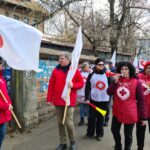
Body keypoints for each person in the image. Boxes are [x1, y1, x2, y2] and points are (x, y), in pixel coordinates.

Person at [47, 52, 84, 150]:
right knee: (60, 122)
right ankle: (62, 143)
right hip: (58, 100)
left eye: (62, 58)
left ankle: (72, 142)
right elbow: (51, 85)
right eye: (59, 58)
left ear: (68, 59)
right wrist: (49, 98)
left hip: (69, 100)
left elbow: (81, 83)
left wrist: (73, 85)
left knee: (68, 122)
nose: (60, 60)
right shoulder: (56, 70)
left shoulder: (74, 70)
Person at [107, 61, 147, 150]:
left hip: (130, 113)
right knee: (114, 130)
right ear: (119, 70)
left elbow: (141, 100)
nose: (124, 71)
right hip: (117, 111)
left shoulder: (137, 82)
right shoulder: (116, 80)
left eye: (126, 69)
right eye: (122, 69)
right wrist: (114, 83)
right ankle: (118, 145)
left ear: (130, 70)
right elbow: (109, 92)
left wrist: (144, 117)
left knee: (128, 134)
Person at [84, 58, 110, 141]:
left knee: (100, 118)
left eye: (102, 64)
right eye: (99, 64)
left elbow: (111, 87)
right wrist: (87, 97)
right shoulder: (91, 74)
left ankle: (99, 134)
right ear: (96, 65)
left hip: (104, 100)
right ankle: (90, 133)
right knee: (91, 118)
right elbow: (87, 87)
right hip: (93, 99)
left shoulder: (107, 74)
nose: (101, 66)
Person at [136, 61, 150, 150]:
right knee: (140, 131)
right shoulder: (138, 77)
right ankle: (140, 148)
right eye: (148, 67)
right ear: (145, 68)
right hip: (141, 109)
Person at [0, 57, 12, 149]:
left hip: (2, 114)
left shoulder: (1, 78)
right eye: (0, 64)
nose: (2, 66)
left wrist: (9, 103)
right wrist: (6, 105)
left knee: (2, 134)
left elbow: (5, 95)